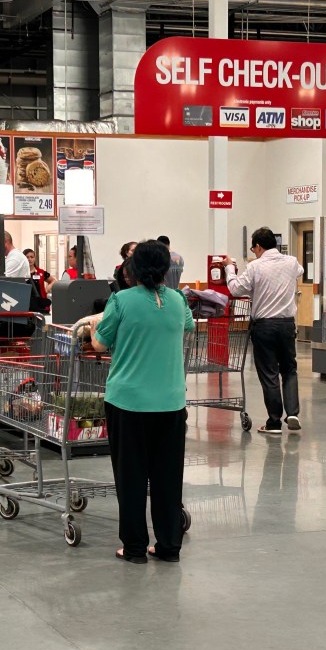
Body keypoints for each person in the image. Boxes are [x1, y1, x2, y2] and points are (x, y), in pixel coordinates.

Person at [91, 240, 194, 563]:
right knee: (167, 476)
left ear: (131, 269)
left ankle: (135, 547)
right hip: (171, 402)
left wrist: (94, 326)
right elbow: (187, 326)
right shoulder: (177, 300)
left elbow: (99, 345)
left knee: (132, 476)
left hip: (128, 402)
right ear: (165, 269)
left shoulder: (121, 300)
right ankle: (168, 546)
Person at [223, 227, 304, 435]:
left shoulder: (254, 266)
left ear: (258, 246)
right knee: (289, 370)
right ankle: (293, 412)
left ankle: (274, 422)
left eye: (254, 248)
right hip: (287, 324)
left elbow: (235, 289)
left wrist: (230, 269)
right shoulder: (291, 261)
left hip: (264, 326)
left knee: (269, 373)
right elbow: (300, 272)